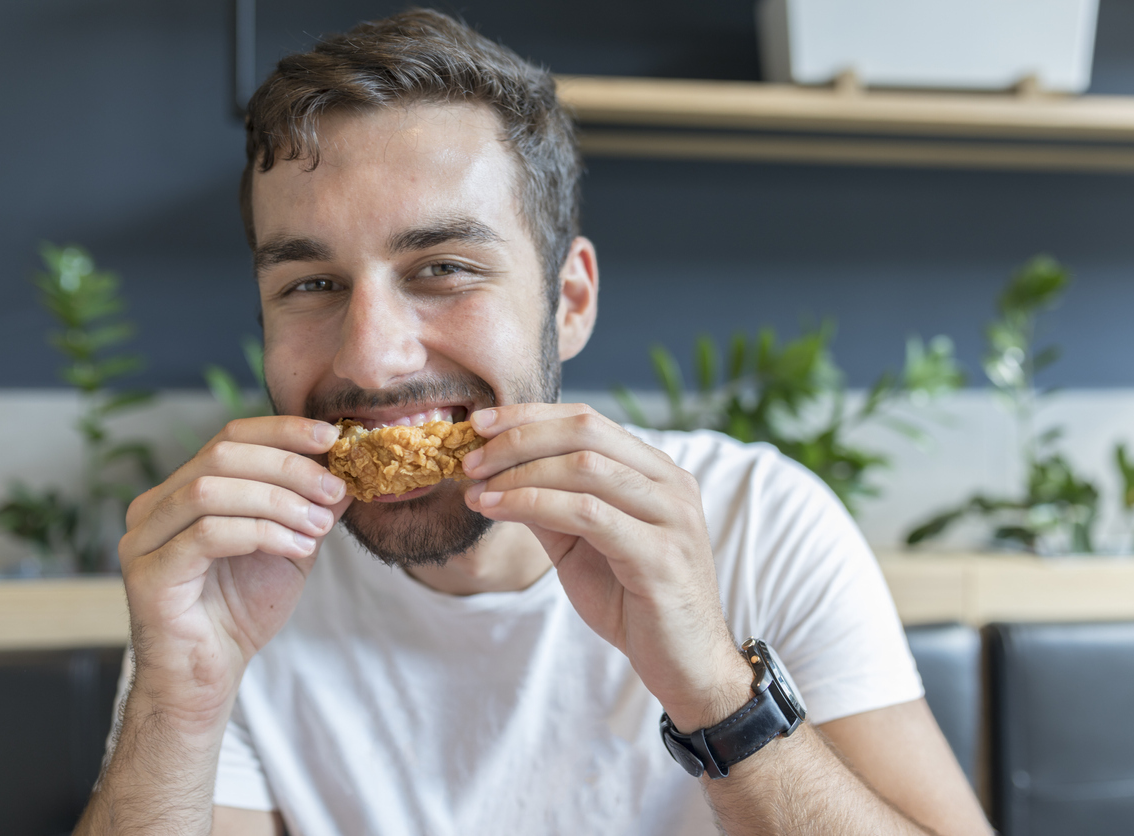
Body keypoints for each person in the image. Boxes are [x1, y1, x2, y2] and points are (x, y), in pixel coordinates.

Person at [75, 8, 991, 836]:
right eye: (310, 284)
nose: (371, 358)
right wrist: (177, 700)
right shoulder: (234, 579)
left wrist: (715, 690)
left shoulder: (757, 521)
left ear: (570, 300)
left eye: (443, 268)